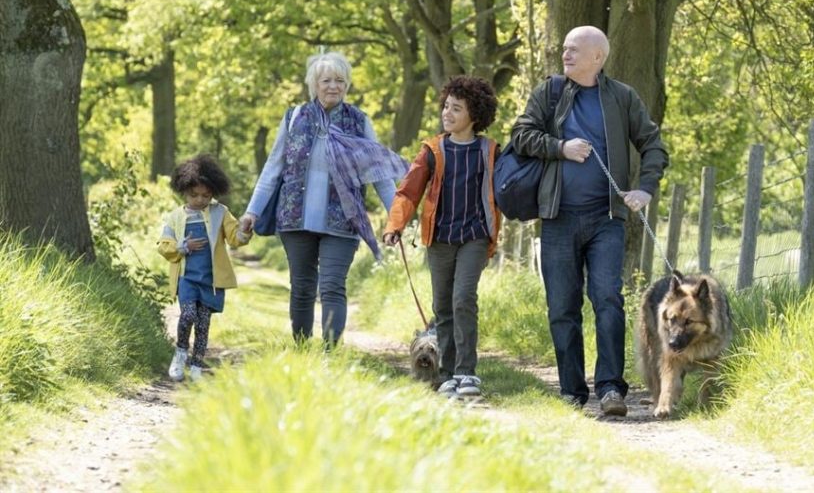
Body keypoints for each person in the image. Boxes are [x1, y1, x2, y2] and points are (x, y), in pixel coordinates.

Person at [510, 25, 668, 416]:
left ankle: (612, 389)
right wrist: (560, 147)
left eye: (574, 50)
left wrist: (645, 189)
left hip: (606, 220)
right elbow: (520, 136)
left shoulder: (621, 98)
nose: (566, 55)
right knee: (562, 306)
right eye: (564, 49)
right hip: (558, 218)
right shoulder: (548, 93)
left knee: (607, 300)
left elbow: (653, 145)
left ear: (598, 57)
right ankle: (571, 392)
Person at [239, 52, 407, 347]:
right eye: (326, 80)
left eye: (340, 80)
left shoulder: (358, 122)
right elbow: (273, 166)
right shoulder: (294, 118)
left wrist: (397, 218)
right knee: (302, 288)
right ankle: (302, 350)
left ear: (347, 85)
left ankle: (331, 354)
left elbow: (380, 174)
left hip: (343, 219)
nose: (333, 86)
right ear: (314, 84)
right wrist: (252, 211)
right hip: (295, 218)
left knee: (332, 286)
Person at [382, 76, 501, 398]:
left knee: (463, 299)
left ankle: (467, 372)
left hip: (475, 236)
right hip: (440, 238)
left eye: (456, 108)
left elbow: (507, 190)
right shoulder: (432, 151)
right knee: (443, 306)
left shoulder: (489, 151)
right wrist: (395, 225)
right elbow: (408, 191)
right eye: (446, 106)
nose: (447, 113)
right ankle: (446, 374)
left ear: (473, 115)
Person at [158, 154, 251, 381]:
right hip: (187, 278)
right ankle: (180, 354)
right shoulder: (175, 218)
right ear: (184, 190)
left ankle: (197, 365)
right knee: (187, 315)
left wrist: (245, 231)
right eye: (194, 195)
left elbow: (234, 237)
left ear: (213, 193)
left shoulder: (221, 212)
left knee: (203, 323)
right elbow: (163, 246)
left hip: (210, 280)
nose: (200, 200)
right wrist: (182, 247)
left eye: (206, 195)